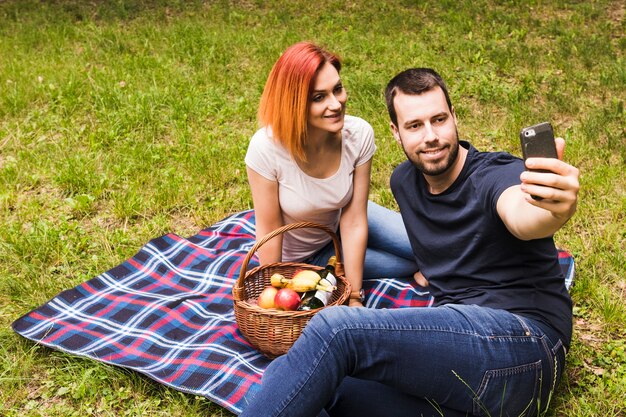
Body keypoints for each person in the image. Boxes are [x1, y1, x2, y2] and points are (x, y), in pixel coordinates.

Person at [240, 67, 580, 417]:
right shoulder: (405, 182)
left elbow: (523, 215)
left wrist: (550, 210)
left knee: (336, 331)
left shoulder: (495, 174)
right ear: (396, 133)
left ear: (454, 117)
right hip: (466, 380)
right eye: (415, 125)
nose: (431, 136)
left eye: (439, 119)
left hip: (525, 347)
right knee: (306, 378)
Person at [245, 41, 419, 306]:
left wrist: (355, 295)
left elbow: (355, 218)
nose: (336, 104)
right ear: (294, 104)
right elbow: (270, 230)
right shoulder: (266, 148)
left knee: (429, 246)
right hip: (311, 253)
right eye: (319, 97)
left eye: (337, 89)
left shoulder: (358, 134)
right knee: (409, 264)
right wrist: (277, 294)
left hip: (343, 216)